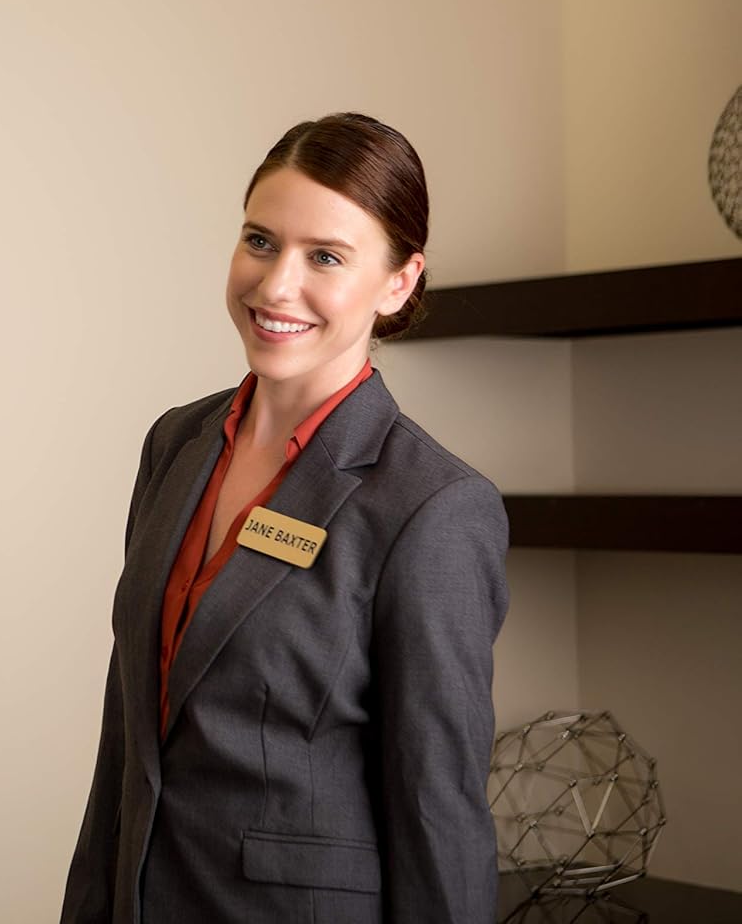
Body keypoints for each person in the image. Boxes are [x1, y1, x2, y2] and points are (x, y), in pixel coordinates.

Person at [59, 112, 510, 923]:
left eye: (325, 257)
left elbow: (437, 814)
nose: (274, 287)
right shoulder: (174, 445)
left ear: (400, 282)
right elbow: (126, 740)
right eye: (260, 241)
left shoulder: (432, 508)